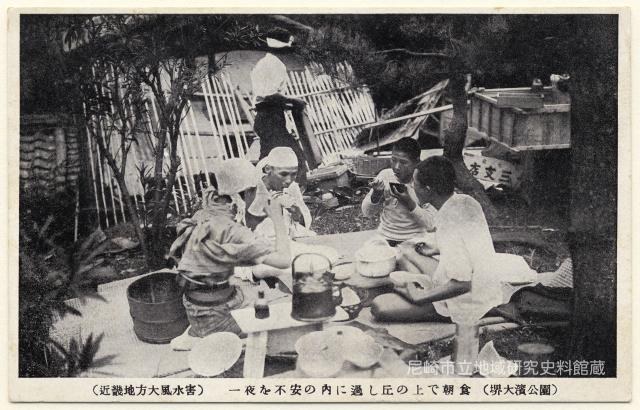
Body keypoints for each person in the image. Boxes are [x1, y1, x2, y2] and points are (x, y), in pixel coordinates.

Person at [371, 155, 538, 325]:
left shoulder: (450, 223)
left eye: (415, 183)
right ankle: (428, 288)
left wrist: (420, 297)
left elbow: (463, 285)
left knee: (379, 306)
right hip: (486, 286)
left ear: (428, 189)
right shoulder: (465, 201)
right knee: (406, 251)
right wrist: (437, 248)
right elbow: (469, 247)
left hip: (467, 299)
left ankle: (434, 298)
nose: (412, 186)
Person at [168, 158, 291, 342]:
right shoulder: (230, 230)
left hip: (208, 303)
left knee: (264, 295)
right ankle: (209, 336)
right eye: (255, 190)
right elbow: (283, 260)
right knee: (286, 316)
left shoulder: (205, 212)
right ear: (245, 193)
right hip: (214, 316)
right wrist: (278, 220)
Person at [361, 137, 436, 247]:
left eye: (403, 162)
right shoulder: (385, 175)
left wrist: (409, 203)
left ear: (417, 162)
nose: (396, 167)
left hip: (415, 240)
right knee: (368, 256)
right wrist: (376, 196)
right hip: (385, 237)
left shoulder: (424, 182)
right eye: (393, 160)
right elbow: (366, 213)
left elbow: (431, 225)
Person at [250, 51, 308, 186]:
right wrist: (293, 100)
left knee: (267, 155)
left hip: (269, 116)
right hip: (269, 117)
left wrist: (288, 104)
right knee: (293, 154)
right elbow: (270, 95)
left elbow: (268, 95)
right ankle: (295, 189)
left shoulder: (265, 63)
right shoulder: (273, 64)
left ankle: (261, 187)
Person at [253, 147, 314, 239]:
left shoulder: (292, 187)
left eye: (294, 174)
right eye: (283, 174)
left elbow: (304, 227)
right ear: (268, 169)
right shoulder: (253, 188)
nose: (288, 180)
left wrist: (296, 212)